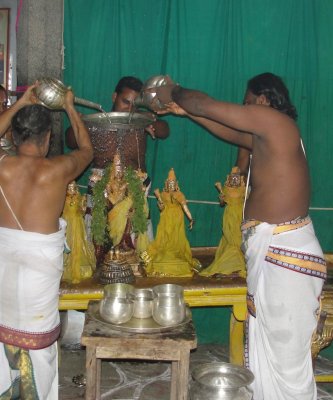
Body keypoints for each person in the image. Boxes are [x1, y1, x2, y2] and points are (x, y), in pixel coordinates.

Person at [152, 72, 327, 400]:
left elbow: (207, 104)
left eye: (246, 103)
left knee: (287, 361)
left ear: (261, 101)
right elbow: (229, 131)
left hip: (285, 254)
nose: (244, 109)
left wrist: (170, 90)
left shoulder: (274, 122)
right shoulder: (270, 136)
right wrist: (186, 112)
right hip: (277, 254)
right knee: (271, 351)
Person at [0, 85, 93, 399]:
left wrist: (20, 103)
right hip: (39, 273)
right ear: (48, 138)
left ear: (13, 136)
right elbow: (87, 151)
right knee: (38, 345)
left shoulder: (3, 167)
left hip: (5, 267)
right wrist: (68, 106)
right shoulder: (58, 170)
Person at [66, 76, 169, 248]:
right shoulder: (97, 121)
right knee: (97, 243)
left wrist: (148, 120)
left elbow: (164, 130)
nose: (130, 108)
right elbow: (69, 141)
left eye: (135, 105)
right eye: (126, 102)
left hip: (135, 188)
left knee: (136, 244)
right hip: (102, 188)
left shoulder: (138, 120)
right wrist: (80, 124)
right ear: (114, 97)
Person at [142, 168, 200, 277]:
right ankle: (164, 253)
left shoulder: (179, 194)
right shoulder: (163, 194)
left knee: (175, 237)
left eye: (173, 183)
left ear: (176, 184)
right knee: (164, 237)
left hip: (177, 218)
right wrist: (160, 202)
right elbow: (161, 207)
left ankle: (175, 254)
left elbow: (185, 207)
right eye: (169, 183)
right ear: (166, 183)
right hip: (165, 218)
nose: (171, 185)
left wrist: (191, 218)